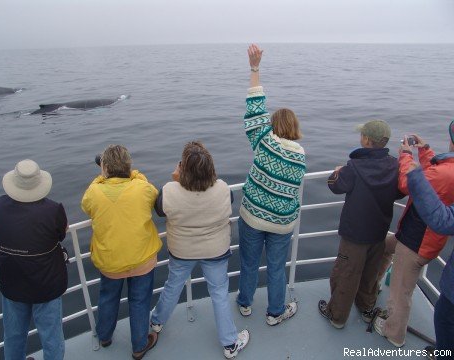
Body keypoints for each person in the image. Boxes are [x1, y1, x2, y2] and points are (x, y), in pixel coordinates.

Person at [150, 141, 249, 359]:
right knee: (219, 293)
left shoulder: (168, 191)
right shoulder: (223, 189)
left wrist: (177, 178)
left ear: (182, 167)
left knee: (173, 286)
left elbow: (160, 210)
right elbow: (219, 198)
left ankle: (156, 322)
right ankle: (230, 344)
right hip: (216, 251)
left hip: (182, 251)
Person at [236, 44, 306, 325]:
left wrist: (254, 69)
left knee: (249, 264)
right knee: (277, 268)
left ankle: (244, 303)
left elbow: (255, 110)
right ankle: (275, 313)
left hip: (252, 217)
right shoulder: (301, 155)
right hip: (282, 222)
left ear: (273, 126)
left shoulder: (265, 143)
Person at [374, 124, 454, 348]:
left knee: (400, 295)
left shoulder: (445, 172)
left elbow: (407, 183)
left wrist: (406, 155)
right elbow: (433, 175)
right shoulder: (448, 169)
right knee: (383, 248)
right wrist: (425, 150)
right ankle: (374, 284)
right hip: (421, 237)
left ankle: (393, 333)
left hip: (416, 242)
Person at [317, 120, 401, 329]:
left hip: (355, 233)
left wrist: (337, 172)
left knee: (346, 273)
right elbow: (400, 190)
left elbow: (336, 186)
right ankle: (366, 309)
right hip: (379, 230)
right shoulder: (394, 165)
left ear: (366, 140)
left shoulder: (354, 166)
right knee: (370, 273)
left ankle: (337, 316)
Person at [81, 145, 162, 360]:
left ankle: (104, 336)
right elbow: (146, 186)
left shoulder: (94, 192)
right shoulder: (143, 188)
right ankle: (139, 346)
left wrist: (100, 177)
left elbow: (86, 205)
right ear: (129, 167)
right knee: (140, 301)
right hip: (142, 260)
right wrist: (133, 173)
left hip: (110, 262)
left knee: (108, 298)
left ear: (104, 168)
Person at [0, 159, 68, 360]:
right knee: (52, 338)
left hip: (12, 283)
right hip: (47, 285)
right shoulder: (53, 209)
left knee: (13, 337)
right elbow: (61, 234)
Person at [406, 165, 454, 360]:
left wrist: (412, 170)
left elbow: (442, 220)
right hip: (431, 247)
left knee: (444, 319)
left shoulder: (445, 171)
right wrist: (425, 152)